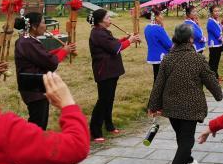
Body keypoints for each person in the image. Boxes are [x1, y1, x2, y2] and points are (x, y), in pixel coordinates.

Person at [148, 23, 222, 164]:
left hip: (171, 106)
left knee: (182, 137)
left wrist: (153, 105)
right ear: (191, 39)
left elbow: (158, 84)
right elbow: (210, 78)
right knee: (187, 140)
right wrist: (218, 94)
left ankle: (189, 162)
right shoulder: (197, 59)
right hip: (191, 106)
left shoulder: (167, 58)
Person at [13, 12, 76, 130]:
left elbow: (43, 56)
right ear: (33, 26)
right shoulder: (27, 42)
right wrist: (64, 51)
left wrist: (60, 50)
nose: (45, 26)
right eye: (43, 23)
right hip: (34, 88)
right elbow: (50, 62)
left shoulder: (28, 40)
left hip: (34, 85)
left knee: (39, 121)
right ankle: (31, 141)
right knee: (38, 124)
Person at [88, 8, 140, 142]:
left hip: (111, 71)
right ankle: (95, 131)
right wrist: (130, 41)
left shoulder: (103, 31)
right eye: (107, 18)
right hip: (104, 71)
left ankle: (109, 125)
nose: (110, 20)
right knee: (103, 100)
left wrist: (126, 38)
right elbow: (114, 48)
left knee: (109, 99)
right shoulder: (98, 33)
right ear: (100, 21)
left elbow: (114, 42)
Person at [143, 8, 173, 82]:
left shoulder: (147, 28)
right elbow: (168, 44)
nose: (162, 17)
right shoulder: (158, 29)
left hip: (153, 56)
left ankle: (155, 89)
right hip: (161, 57)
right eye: (161, 15)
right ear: (156, 17)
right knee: (162, 79)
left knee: (156, 77)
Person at [206, 5, 223, 79]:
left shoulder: (216, 21)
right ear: (211, 13)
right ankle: (212, 77)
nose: (217, 13)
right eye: (215, 11)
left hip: (218, 44)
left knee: (217, 60)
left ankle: (216, 76)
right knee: (213, 62)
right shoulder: (211, 22)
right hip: (214, 44)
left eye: (218, 11)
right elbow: (217, 34)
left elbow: (221, 29)